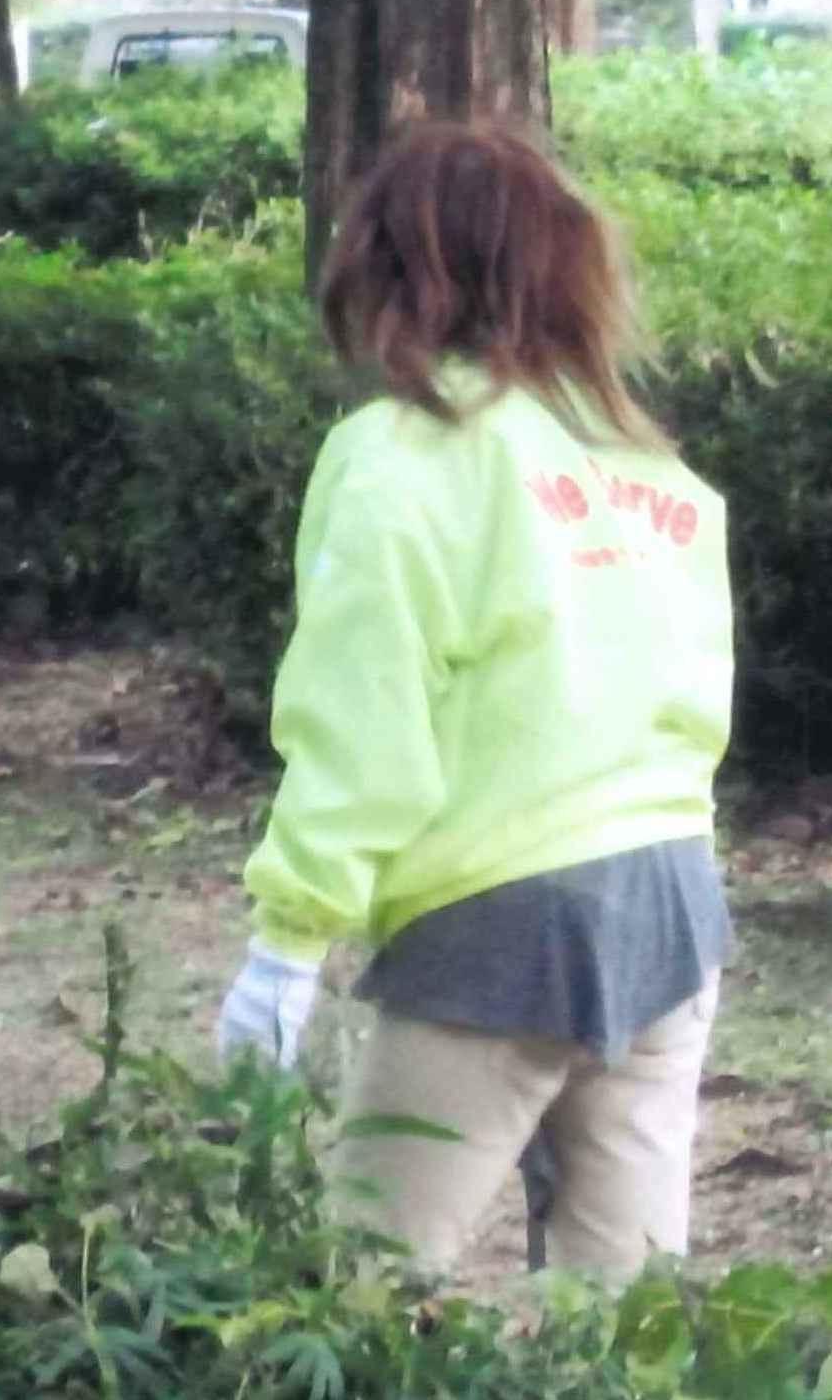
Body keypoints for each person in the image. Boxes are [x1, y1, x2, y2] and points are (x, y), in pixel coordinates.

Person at [216, 121, 733, 1279]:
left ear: (386, 268)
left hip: (498, 924)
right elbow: (692, 702)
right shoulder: (648, 465)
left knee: (357, 1302)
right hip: (672, 901)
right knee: (627, 1337)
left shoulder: (401, 457)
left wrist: (290, 940)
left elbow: (366, 719)